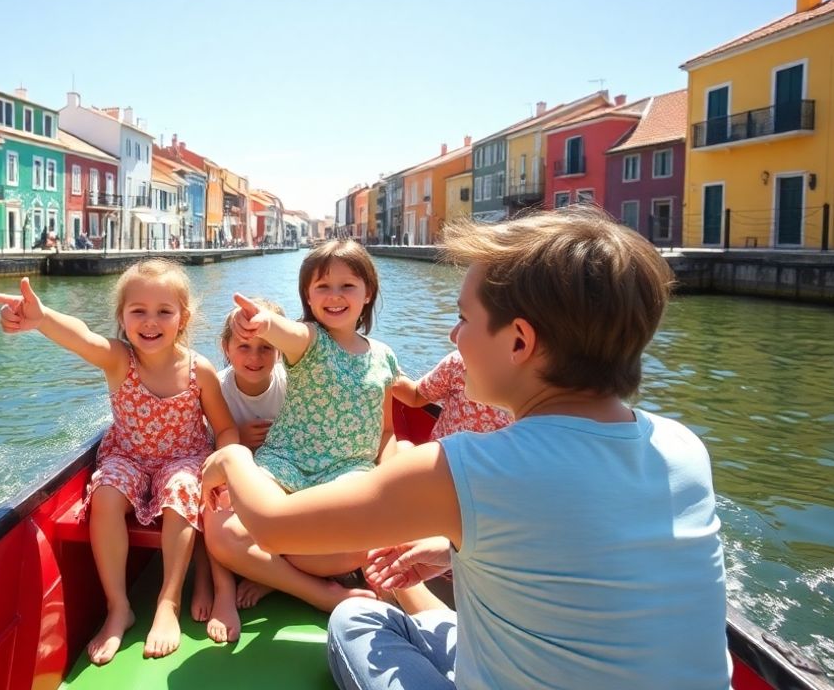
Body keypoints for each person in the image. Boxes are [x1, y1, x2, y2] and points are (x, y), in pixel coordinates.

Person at [201, 206, 730, 689]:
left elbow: (271, 525)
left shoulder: (465, 468)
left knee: (351, 620)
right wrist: (448, 549)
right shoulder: (684, 448)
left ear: (520, 342)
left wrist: (232, 456)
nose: (454, 338)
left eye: (464, 319)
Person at [0, 262, 238, 666]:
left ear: (183, 318)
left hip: (183, 458)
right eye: (138, 311)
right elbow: (82, 337)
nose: (150, 321)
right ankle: (118, 606)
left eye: (164, 311)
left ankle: (168, 601)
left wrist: (222, 466)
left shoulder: (199, 370)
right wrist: (42, 317)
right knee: (104, 495)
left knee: (181, 492)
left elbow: (224, 429)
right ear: (122, 317)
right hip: (128, 456)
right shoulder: (119, 360)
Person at [203, 240, 404, 622]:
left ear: (368, 293)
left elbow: (387, 431)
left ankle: (270, 570)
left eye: (347, 286)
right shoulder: (308, 341)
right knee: (219, 526)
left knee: (355, 544)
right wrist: (263, 322)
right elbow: (284, 332)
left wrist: (390, 479)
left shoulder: (384, 357)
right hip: (285, 462)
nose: (335, 295)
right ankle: (318, 592)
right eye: (322, 286)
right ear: (308, 298)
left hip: (347, 473)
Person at [203, 297, 289, 643]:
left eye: (266, 347)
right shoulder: (217, 388)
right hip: (234, 474)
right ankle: (223, 589)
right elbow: (206, 448)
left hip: (282, 471)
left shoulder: (290, 384)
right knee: (213, 500)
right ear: (226, 348)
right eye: (244, 347)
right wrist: (238, 437)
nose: (255, 357)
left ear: (280, 351)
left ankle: (270, 577)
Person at [391, 350, 512, 443]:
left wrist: (387, 369)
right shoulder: (523, 394)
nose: (453, 335)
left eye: (464, 324)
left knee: (404, 446)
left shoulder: (459, 363)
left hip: (442, 461)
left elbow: (416, 397)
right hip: (496, 466)